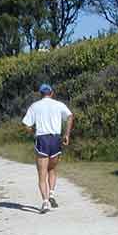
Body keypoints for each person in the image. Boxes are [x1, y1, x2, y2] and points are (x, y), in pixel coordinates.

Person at [22, 84, 74, 214]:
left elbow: (26, 125)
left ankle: (45, 202)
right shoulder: (58, 104)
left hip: (42, 139)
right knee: (52, 169)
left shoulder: (35, 106)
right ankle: (51, 194)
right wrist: (66, 134)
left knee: (42, 173)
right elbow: (70, 116)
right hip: (55, 139)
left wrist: (34, 132)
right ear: (51, 93)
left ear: (40, 94)